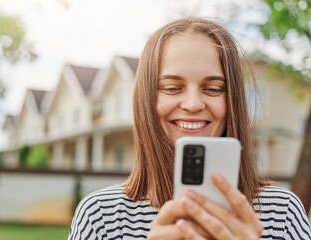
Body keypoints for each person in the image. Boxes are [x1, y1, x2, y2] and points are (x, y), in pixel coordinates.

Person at [67, 18, 311, 239]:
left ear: (233, 101)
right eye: (172, 88)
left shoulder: (282, 213)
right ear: (145, 100)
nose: (193, 104)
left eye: (213, 89)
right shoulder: (100, 216)